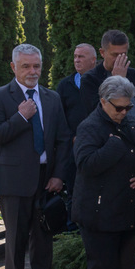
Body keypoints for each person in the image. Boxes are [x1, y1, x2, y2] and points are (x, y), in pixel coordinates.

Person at [0, 44, 71, 269]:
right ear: (14, 67)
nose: (32, 71)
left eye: (36, 66)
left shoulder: (52, 97)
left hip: (47, 179)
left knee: (44, 238)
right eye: (26, 66)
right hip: (14, 180)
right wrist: (21, 117)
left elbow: (64, 139)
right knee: (16, 239)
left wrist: (59, 175)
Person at [72, 76, 135, 269]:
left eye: (128, 107)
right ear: (103, 102)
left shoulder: (131, 123)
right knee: (103, 266)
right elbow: (85, 165)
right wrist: (113, 146)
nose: (124, 112)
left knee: (121, 264)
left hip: (126, 207)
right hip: (98, 210)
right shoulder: (90, 127)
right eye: (119, 108)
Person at [80, 30, 135, 132]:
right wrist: (117, 81)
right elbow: (95, 111)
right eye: (115, 55)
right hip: (108, 136)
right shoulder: (90, 79)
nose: (119, 59)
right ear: (102, 53)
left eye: (123, 54)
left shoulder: (134, 75)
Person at [56, 43, 98, 197]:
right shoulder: (65, 85)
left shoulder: (104, 82)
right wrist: (72, 138)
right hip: (73, 149)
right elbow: (59, 117)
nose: (76, 60)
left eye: (81, 56)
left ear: (93, 60)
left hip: (99, 147)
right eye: (75, 56)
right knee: (74, 193)